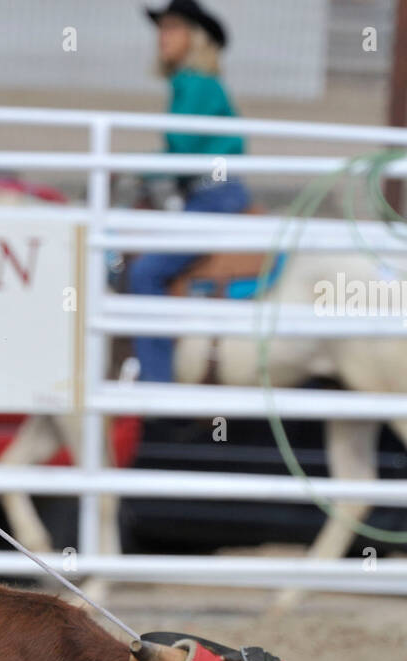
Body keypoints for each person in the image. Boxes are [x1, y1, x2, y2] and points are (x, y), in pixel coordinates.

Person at [128, 0, 251, 383]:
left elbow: (180, 152)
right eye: (162, 28)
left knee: (145, 272)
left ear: (195, 38)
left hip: (213, 196)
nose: (163, 37)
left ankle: (156, 384)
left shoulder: (196, 84)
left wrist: (137, 170)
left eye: (173, 27)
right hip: (211, 193)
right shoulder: (196, 84)